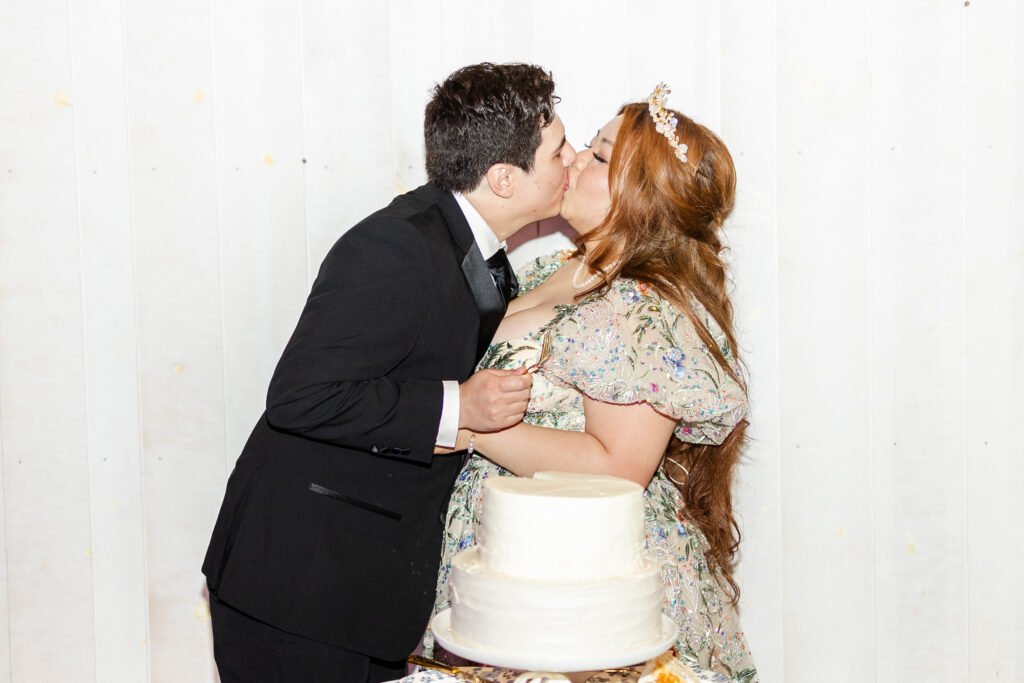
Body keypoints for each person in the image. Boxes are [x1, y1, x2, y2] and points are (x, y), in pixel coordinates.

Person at [202, 62, 577, 683]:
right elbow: (301, 396)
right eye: (560, 150)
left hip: (360, 588)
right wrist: (459, 408)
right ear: (505, 178)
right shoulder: (398, 246)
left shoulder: (475, 248)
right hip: (299, 588)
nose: (575, 159)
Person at [427, 84, 758, 682]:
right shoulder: (558, 268)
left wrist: (467, 427)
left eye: (600, 156)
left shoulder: (640, 307)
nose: (575, 156)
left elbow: (617, 467)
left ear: (642, 195)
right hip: (506, 554)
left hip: (580, 574)